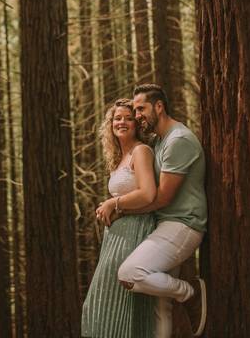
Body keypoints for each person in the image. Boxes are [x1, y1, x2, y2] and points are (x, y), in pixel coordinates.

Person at [104, 84, 207, 338]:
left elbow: (161, 198)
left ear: (159, 107)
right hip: (165, 225)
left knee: (130, 273)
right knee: (161, 307)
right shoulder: (161, 141)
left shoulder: (178, 140)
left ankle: (190, 292)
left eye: (141, 109)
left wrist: (117, 205)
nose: (137, 115)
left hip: (183, 224)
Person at [82, 99, 158, 338]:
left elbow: (148, 193)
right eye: (117, 118)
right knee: (104, 301)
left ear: (136, 124)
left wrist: (113, 203)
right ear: (110, 124)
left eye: (127, 118)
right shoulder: (118, 157)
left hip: (135, 232)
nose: (122, 122)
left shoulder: (141, 151)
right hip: (115, 236)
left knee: (117, 302)